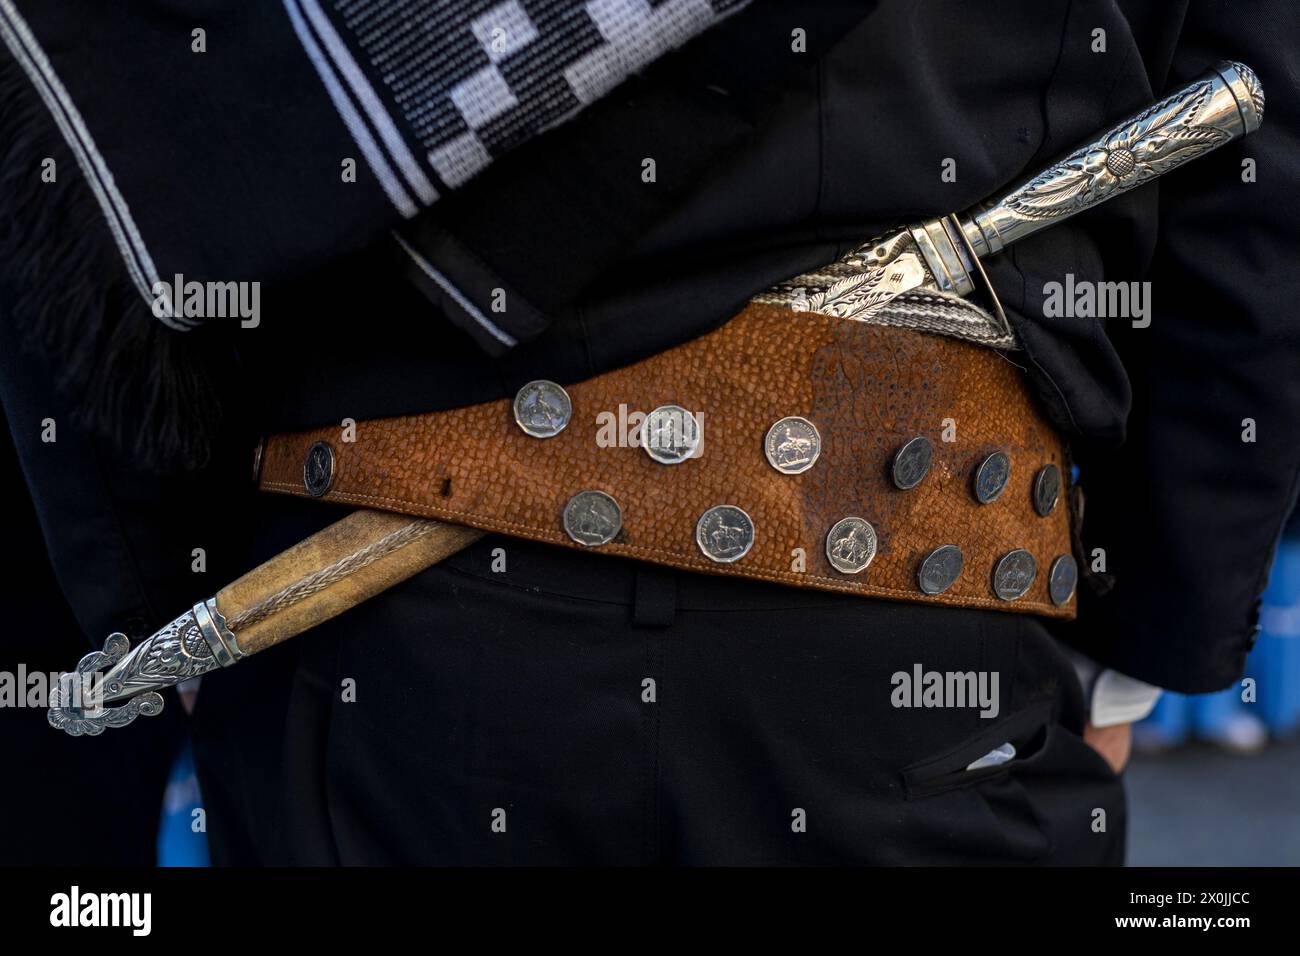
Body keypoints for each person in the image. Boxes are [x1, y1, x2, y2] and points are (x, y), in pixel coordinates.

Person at [1, 0, 1297, 866]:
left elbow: (88, 152)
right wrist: (1150, 641)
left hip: (385, 674)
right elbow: (1258, 158)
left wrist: (148, 584)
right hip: (939, 653)